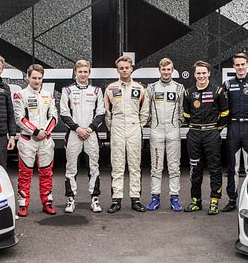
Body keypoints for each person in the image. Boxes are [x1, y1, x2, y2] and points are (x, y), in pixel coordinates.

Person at [104, 55, 150, 213]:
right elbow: (107, 112)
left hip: (134, 127)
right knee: (117, 165)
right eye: (121, 68)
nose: (124, 70)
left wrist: (137, 125)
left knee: (135, 165)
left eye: (127, 67)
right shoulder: (110, 89)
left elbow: (145, 112)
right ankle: (116, 199)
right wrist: (113, 126)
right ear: (117, 70)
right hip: (116, 128)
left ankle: (135, 199)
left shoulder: (139, 88)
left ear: (132, 69)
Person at [183, 61, 229, 215]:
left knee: (215, 168)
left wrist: (216, 129)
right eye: (198, 73)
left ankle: (214, 201)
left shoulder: (218, 91)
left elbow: (225, 113)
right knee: (195, 169)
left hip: (211, 134)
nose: (201, 76)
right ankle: (196, 201)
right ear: (194, 75)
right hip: (194, 134)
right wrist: (196, 127)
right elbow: (186, 115)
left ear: (209, 73)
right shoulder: (188, 93)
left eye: (204, 73)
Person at [59, 60, 106, 213]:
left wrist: (90, 129)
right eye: (80, 71)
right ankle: (70, 200)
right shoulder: (67, 90)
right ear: (75, 73)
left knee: (94, 167)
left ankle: (95, 199)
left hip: (91, 135)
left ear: (89, 73)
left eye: (86, 71)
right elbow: (64, 113)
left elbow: (100, 113)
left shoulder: (97, 90)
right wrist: (78, 129)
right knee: (71, 168)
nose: (83, 74)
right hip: (74, 134)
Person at [13, 64, 58, 216]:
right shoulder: (20, 95)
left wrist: (44, 132)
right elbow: (19, 118)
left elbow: (54, 117)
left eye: (39, 78)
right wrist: (36, 131)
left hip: (45, 140)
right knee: (25, 173)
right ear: (28, 77)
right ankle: (23, 204)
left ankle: (47, 202)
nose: (37, 81)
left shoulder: (48, 95)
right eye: (34, 78)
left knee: (46, 173)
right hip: (27, 140)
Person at [222, 52, 248, 212]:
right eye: (237, 64)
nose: (240, 67)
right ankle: (232, 199)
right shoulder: (228, 84)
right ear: (234, 67)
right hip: (233, 129)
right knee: (233, 167)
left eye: (243, 64)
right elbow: (222, 107)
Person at [146, 58, 185, 212]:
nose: (166, 72)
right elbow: (146, 110)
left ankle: (174, 197)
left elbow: (182, 109)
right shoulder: (151, 88)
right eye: (164, 69)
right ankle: (155, 198)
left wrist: (177, 123)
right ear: (159, 70)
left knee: (174, 167)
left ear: (172, 70)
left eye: (169, 69)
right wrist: (152, 124)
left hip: (173, 132)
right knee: (156, 167)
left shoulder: (179, 88)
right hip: (156, 132)